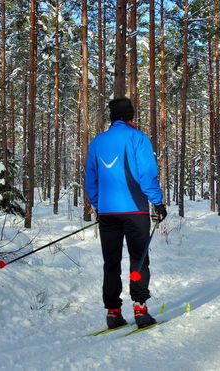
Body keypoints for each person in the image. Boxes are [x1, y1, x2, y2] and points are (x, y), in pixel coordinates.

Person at [85, 97, 167, 329]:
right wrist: (157, 202)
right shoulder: (138, 138)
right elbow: (147, 173)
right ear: (130, 116)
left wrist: (100, 204)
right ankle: (140, 309)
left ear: (112, 117)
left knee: (111, 262)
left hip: (108, 213)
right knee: (138, 259)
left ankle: (113, 313)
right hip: (135, 211)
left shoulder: (98, 142)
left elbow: (91, 178)